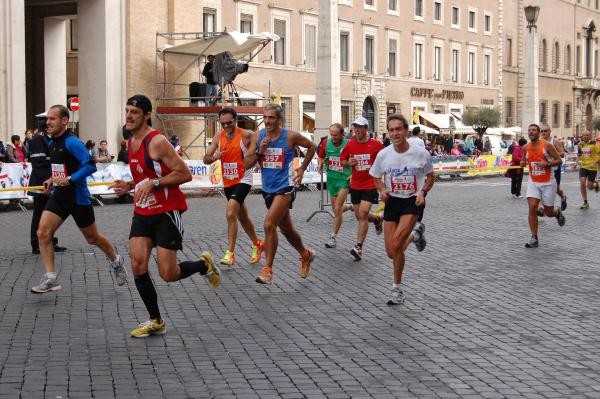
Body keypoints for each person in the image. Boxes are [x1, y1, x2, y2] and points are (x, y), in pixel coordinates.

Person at [111, 94, 220, 338]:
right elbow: (144, 176)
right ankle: (156, 320)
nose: (129, 116)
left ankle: (204, 265)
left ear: (147, 115)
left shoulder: (157, 141)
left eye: (134, 112)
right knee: (138, 264)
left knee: (168, 274)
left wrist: (156, 183)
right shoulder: (130, 142)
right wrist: (129, 185)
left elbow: (184, 174)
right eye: (127, 110)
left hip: (166, 212)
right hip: (142, 211)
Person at [30, 105, 126, 293]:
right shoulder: (52, 143)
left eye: (52, 119)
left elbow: (90, 166)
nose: (47, 122)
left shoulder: (72, 142)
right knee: (42, 233)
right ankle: (51, 278)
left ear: (64, 121)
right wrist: (52, 178)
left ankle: (116, 260)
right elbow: (63, 167)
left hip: (77, 198)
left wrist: (70, 179)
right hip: (59, 196)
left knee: (93, 238)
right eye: (47, 119)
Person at [243, 103, 316, 284]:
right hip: (268, 189)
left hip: (286, 187)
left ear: (279, 119)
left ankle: (267, 270)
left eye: (271, 118)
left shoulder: (290, 136)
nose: (267, 121)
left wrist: (302, 169)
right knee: (286, 229)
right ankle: (305, 254)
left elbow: (312, 146)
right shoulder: (258, 136)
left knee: (269, 225)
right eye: (265, 117)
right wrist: (260, 151)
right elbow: (246, 164)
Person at [370, 114, 434, 305]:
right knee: (391, 252)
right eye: (391, 130)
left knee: (397, 244)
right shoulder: (384, 154)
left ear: (406, 131)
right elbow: (375, 176)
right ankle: (415, 235)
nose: (395, 133)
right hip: (392, 201)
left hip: (412, 201)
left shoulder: (420, 153)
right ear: (388, 133)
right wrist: (381, 190)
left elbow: (431, 176)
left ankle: (396, 289)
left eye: (399, 129)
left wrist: (422, 192)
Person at [203, 107, 264, 266]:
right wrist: (214, 157)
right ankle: (257, 243)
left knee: (231, 212)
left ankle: (230, 253)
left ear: (235, 120)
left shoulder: (245, 135)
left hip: (244, 178)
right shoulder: (218, 136)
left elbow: (257, 148)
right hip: (228, 180)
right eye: (222, 123)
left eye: (229, 123)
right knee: (242, 217)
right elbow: (206, 158)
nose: (225, 127)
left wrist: (256, 159)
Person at [340, 116, 384, 261]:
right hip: (356, 185)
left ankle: (358, 247)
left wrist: (383, 180)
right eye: (355, 127)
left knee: (363, 213)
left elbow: (385, 161)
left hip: (370, 184)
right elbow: (342, 161)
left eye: (360, 127)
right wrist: (348, 162)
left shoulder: (376, 145)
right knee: (360, 216)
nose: (357, 130)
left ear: (367, 129)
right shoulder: (350, 145)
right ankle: (377, 219)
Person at [520, 124, 566, 248]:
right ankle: (534, 237)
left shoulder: (547, 145)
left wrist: (547, 163)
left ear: (539, 133)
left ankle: (557, 213)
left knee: (548, 212)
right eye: (529, 130)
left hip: (548, 182)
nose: (531, 132)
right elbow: (524, 160)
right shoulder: (525, 147)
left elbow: (559, 160)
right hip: (533, 181)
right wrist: (522, 162)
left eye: (534, 130)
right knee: (532, 207)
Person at [27, 127, 66, 254]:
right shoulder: (39, 139)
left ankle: (50, 241)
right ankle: (36, 244)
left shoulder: (51, 139)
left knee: (50, 215)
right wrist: (47, 182)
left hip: (51, 181)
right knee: (39, 214)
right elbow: (38, 164)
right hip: (41, 182)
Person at [318, 123, 354, 249]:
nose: (333, 137)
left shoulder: (349, 144)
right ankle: (350, 207)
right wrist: (320, 164)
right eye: (331, 134)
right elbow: (321, 156)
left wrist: (353, 173)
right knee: (336, 209)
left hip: (344, 178)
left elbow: (355, 160)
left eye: (335, 135)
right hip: (332, 178)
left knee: (337, 208)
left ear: (342, 134)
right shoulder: (326, 143)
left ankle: (333, 237)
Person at [540, 125, 567, 210]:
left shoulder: (554, 141)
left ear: (550, 132)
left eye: (546, 131)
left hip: (555, 168)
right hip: (544, 168)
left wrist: (552, 154)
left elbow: (562, 153)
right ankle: (541, 207)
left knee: (556, 189)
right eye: (542, 131)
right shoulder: (539, 142)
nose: (544, 132)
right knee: (540, 187)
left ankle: (563, 197)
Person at [576, 131, 600, 209]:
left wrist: (595, 162)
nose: (585, 136)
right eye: (584, 135)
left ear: (590, 136)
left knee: (589, 187)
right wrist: (576, 162)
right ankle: (585, 202)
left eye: (587, 135)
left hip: (592, 168)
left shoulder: (594, 144)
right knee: (582, 183)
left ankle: (596, 185)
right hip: (583, 167)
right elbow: (579, 155)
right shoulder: (580, 144)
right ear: (582, 136)